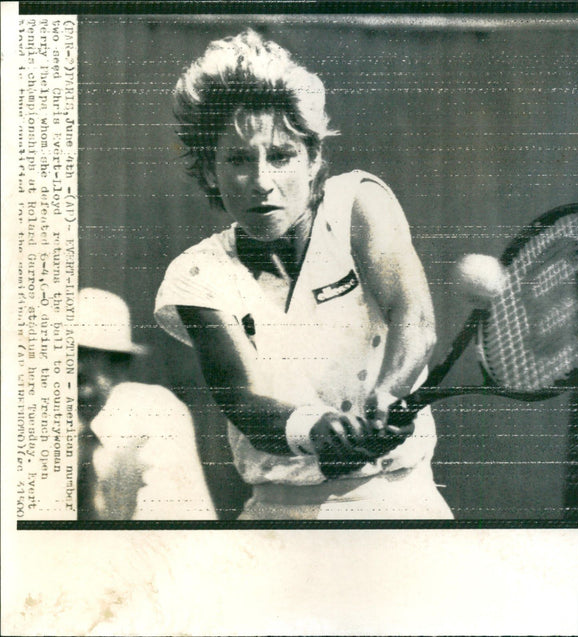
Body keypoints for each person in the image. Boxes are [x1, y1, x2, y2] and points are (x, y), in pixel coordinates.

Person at [154, 30, 452, 519]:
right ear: (209, 171)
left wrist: (389, 393)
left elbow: (413, 319)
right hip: (275, 518)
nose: (262, 181)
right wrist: (313, 429)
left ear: (313, 160)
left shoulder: (358, 203)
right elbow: (243, 401)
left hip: (401, 504)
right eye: (236, 159)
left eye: (281, 155)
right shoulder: (195, 274)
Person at [77, 287, 217, 520]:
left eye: (88, 355)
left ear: (120, 366)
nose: (76, 367)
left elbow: (171, 521)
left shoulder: (154, 413)